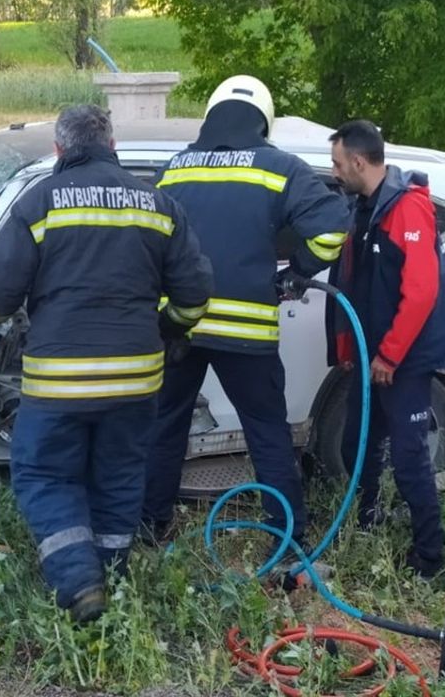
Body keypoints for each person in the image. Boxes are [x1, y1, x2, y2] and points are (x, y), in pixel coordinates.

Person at [0, 104, 213, 622]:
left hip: (60, 383)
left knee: (46, 475)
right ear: (111, 145)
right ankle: (112, 573)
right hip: (137, 382)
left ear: (59, 150)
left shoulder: (40, 202)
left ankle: (78, 581)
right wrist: (168, 329)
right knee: (118, 475)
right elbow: (195, 296)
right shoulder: (158, 205)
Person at [141, 76, 352, 548]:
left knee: (164, 424)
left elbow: (148, 238)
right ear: (264, 121)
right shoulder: (278, 167)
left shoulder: (175, 169)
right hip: (247, 332)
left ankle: (151, 523)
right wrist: (296, 271)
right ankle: (287, 534)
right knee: (266, 431)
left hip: (181, 327)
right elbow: (334, 228)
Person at [325, 119, 445, 578]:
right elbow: (355, 283)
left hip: (403, 361)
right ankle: (368, 521)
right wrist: (351, 349)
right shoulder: (362, 207)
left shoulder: (407, 208)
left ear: (359, 161)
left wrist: (389, 355)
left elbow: (421, 292)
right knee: (357, 446)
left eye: (338, 162)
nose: (335, 170)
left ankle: (429, 557)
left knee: (408, 460)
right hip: (373, 359)